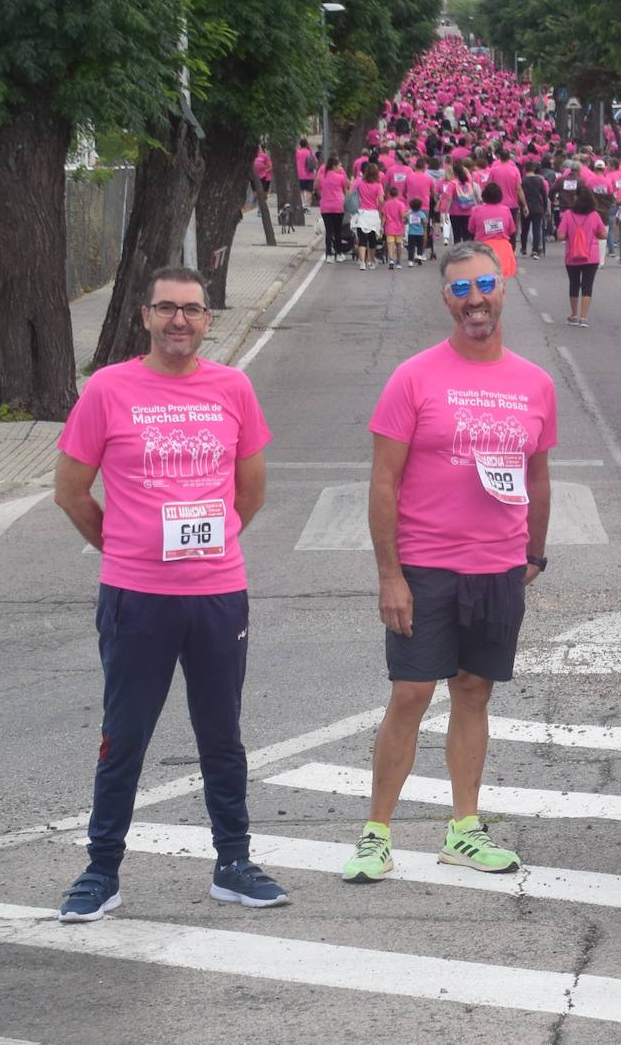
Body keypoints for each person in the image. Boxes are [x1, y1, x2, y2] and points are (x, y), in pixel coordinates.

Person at [53, 266, 286, 921]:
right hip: (137, 597)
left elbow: (252, 490)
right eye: (166, 308)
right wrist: (127, 548)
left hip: (218, 595)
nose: (179, 320)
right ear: (146, 317)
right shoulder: (108, 388)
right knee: (123, 735)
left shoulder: (233, 388)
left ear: (208, 319)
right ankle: (102, 870)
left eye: (191, 309)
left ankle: (234, 863)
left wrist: (206, 548)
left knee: (222, 733)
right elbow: (70, 490)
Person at [342, 241, 555, 883]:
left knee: (473, 691)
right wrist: (390, 575)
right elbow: (384, 482)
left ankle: (464, 828)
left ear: (502, 288)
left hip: (496, 569)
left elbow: (538, 476)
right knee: (410, 693)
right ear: (445, 300)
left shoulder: (534, 382)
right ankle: (376, 833)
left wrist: (534, 554)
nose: (475, 300)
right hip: (426, 566)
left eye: (484, 285)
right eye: (460, 290)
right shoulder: (414, 377)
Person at [557, 186, 606, 328]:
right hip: (591, 256)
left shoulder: (568, 215)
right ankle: (583, 318)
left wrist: (569, 234)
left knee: (574, 284)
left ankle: (574, 315)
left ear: (577, 198)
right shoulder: (594, 215)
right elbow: (603, 234)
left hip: (572, 256)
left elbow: (560, 236)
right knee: (587, 285)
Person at [469, 181, 518, 279]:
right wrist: (512, 250)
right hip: (503, 248)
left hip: (483, 248)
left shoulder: (476, 210)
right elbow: (512, 232)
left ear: (484, 195)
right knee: (501, 278)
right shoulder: (506, 210)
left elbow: (471, 231)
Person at [353, 162, 386, 270]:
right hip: (373, 213)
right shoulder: (378, 186)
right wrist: (380, 210)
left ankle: (362, 262)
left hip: (362, 213)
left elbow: (353, 194)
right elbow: (381, 200)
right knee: (372, 240)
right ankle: (371, 261)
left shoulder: (360, 184)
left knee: (362, 240)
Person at [317, 155, 350, 264]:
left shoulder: (322, 177)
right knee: (338, 231)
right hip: (337, 207)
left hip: (325, 207)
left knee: (329, 231)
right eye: (338, 166)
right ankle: (339, 253)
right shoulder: (341, 177)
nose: (339, 168)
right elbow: (345, 191)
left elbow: (319, 188)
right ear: (334, 166)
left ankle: (329, 254)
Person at [521, 160, 549, 259]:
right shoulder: (539, 180)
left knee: (525, 228)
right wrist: (545, 208)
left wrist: (522, 206)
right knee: (536, 229)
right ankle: (535, 250)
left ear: (525, 169)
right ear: (534, 169)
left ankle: (524, 249)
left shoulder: (523, 180)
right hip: (538, 207)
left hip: (526, 207)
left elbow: (521, 194)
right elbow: (544, 195)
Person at [382, 188, 408, 269]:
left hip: (389, 227)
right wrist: (409, 213)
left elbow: (384, 217)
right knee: (399, 245)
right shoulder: (401, 204)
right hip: (399, 227)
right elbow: (403, 215)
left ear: (389, 194)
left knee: (390, 244)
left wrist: (381, 226)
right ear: (398, 194)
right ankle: (399, 261)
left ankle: (391, 259)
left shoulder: (386, 204)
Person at [405, 197, 429, 265]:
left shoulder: (410, 213)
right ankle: (419, 256)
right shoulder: (421, 213)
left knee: (411, 247)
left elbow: (405, 221)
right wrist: (424, 226)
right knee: (420, 245)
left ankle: (410, 261)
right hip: (420, 233)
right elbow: (425, 221)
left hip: (411, 233)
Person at [295, 138, 317, 206]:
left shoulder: (297, 152)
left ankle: (303, 204)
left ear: (300, 145)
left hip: (300, 175)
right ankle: (308, 205)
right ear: (307, 144)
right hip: (310, 175)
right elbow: (315, 161)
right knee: (309, 192)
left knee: (301, 191)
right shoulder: (310, 152)